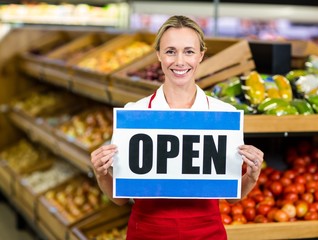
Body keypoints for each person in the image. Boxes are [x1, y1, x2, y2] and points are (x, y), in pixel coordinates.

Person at [91, 15, 264, 240]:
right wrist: (100, 172)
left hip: (207, 232)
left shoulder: (223, 116)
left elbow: (232, 197)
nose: (179, 61)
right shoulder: (136, 113)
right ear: (159, 55)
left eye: (189, 51)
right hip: (147, 231)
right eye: (171, 51)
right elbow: (120, 198)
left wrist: (251, 175)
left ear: (201, 55)